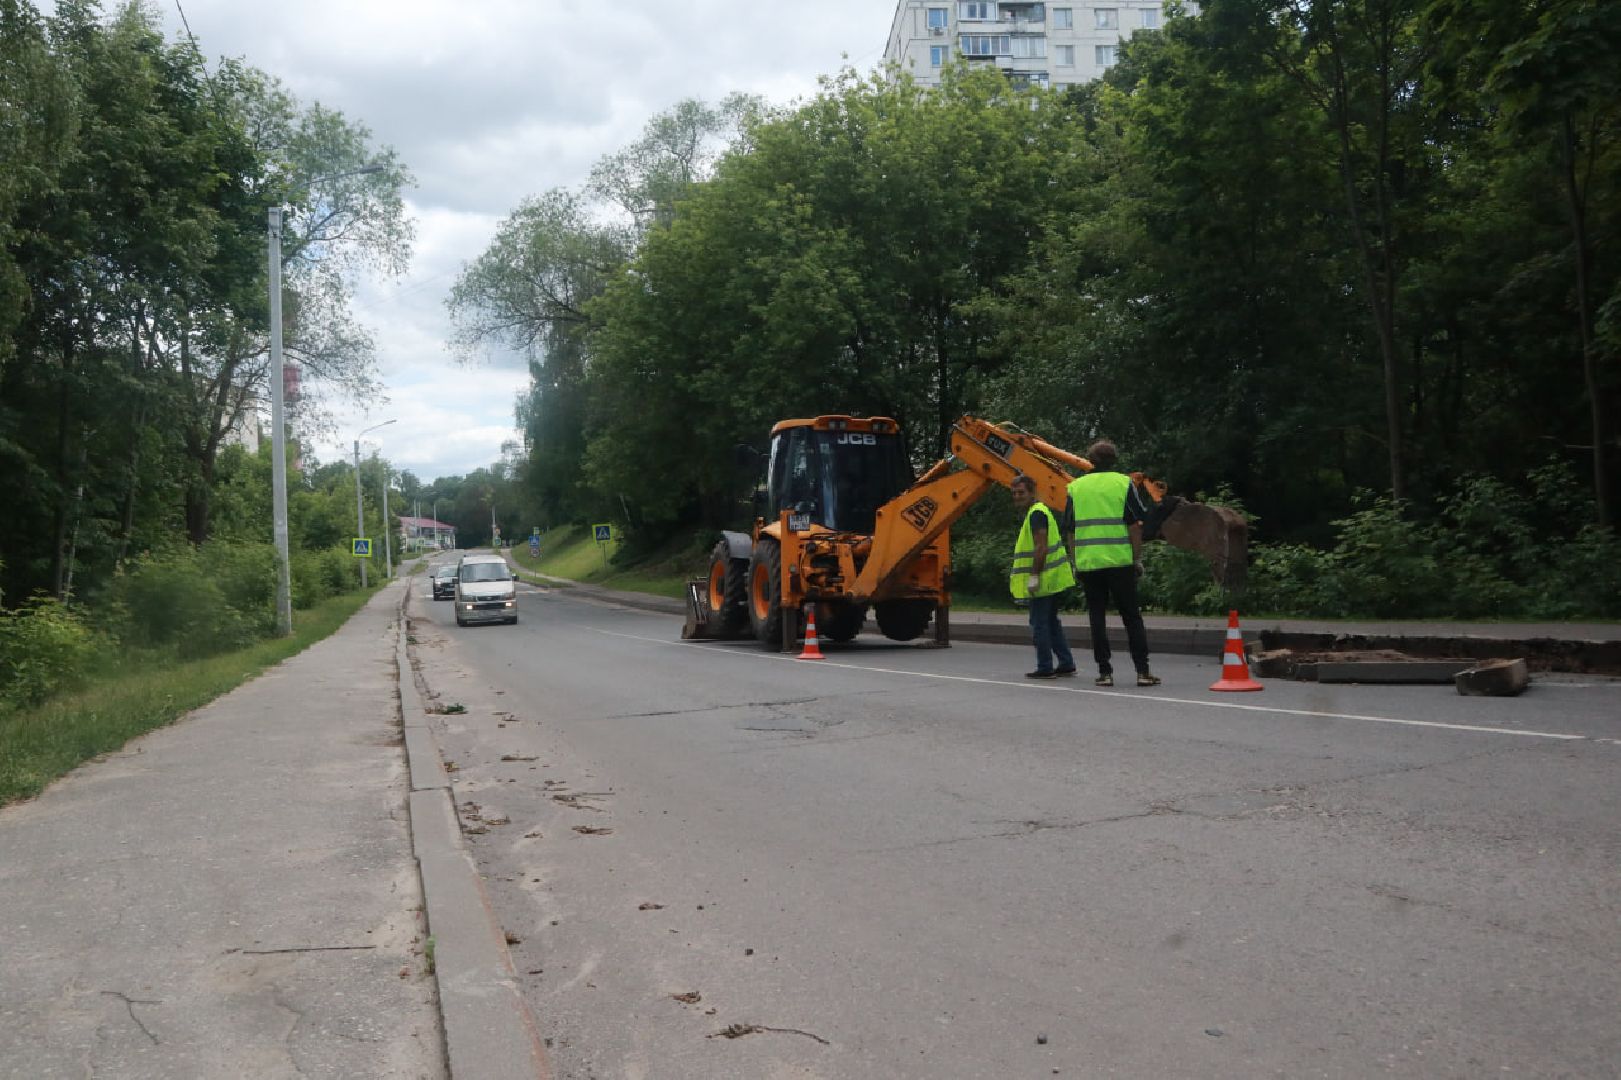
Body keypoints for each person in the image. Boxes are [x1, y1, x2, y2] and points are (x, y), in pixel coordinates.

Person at [1062, 440, 1160, 687]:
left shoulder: (1076, 487)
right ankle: (1142, 672)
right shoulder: (1123, 483)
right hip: (1120, 562)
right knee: (1132, 617)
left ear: (1090, 460)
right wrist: (1136, 559)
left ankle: (1105, 672)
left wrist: (1075, 562)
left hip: (1089, 563)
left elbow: (1070, 530)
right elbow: (1135, 525)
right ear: (1114, 460)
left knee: (1097, 617)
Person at [1009, 474, 1077, 679]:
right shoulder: (1039, 511)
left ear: (1032, 492)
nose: (1017, 496)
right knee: (1051, 622)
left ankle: (1045, 667)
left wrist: (1034, 576)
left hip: (1043, 580)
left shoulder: (1036, 514)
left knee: (1039, 623)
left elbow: (1041, 546)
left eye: (1021, 492)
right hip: (1053, 577)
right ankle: (1066, 663)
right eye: (1014, 493)